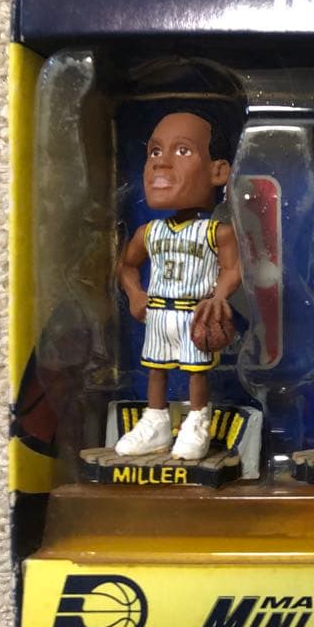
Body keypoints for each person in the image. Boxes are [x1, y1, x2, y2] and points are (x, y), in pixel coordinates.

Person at [115, 111, 241, 459]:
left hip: (194, 313)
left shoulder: (216, 231)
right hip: (158, 311)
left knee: (196, 373)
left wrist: (218, 297)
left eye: (182, 151)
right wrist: (135, 294)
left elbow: (234, 270)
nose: (161, 162)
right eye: (154, 152)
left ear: (218, 171)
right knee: (156, 369)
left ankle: (198, 420)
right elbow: (126, 265)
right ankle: (155, 421)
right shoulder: (149, 232)